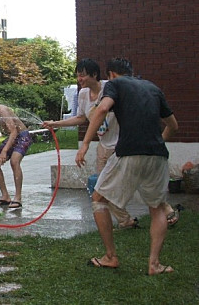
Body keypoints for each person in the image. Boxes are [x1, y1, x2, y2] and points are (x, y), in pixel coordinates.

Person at [75, 58, 178, 275]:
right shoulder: (152, 87)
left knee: (98, 199)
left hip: (129, 151)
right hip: (158, 155)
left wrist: (84, 144)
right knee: (158, 207)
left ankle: (110, 257)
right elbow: (173, 125)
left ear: (111, 74)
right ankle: (154, 264)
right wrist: (156, 142)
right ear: (132, 72)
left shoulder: (114, 85)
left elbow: (102, 109)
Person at [43, 58, 138, 229]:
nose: (79, 79)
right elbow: (81, 118)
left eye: (83, 76)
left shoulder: (111, 87)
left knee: (120, 185)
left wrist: (85, 145)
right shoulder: (83, 94)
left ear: (94, 75)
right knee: (103, 188)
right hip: (104, 147)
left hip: (122, 144)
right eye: (78, 76)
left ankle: (162, 212)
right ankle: (126, 221)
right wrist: (55, 124)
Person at [0, 104, 33, 209]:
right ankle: (5, 196)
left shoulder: (2, 110)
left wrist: (4, 151)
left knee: (14, 161)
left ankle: (18, 197)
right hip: (11, 137)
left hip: (22, 135)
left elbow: (14, 131)